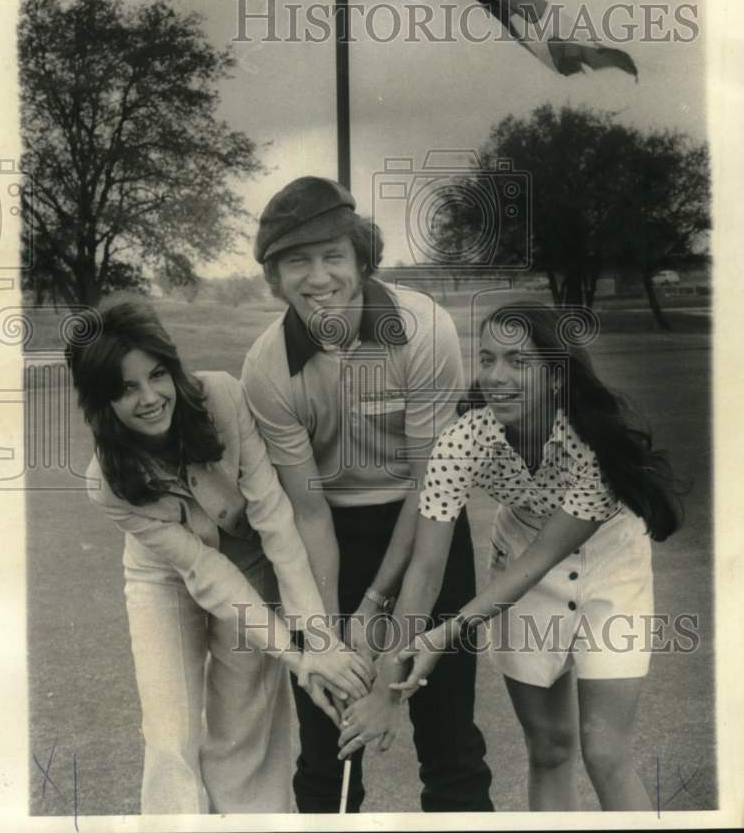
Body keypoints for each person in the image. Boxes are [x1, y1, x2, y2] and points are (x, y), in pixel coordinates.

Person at [338, 301, 682, 811]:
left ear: (557, 377)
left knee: (605, 752)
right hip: (519, 552)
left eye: (519, 362)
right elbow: (427, 568)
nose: (497, 376)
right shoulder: (461, 440)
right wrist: (391, 677)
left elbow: (540, 561)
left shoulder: (595, 449)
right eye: (488, 358)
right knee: (548, 749)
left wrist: (445, 633)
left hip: (608, 566)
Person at [241, 176, 494, 813]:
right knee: (327, 747)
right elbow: (308, 511)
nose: (318, 277)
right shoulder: (266, 369)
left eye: (333, 256)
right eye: (296, 260)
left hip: (430, 522)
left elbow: (429, 484)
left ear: (361, 259)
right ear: (274, 276)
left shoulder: (423, 327)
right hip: (327, 536)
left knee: (449, 743)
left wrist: (378, 602)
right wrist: (328, 633)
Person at [67, 300, 371, 815]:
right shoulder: (106, 482)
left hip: (254, 560)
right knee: (168, 733)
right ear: (100, 401)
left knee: (242, 732)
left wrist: (317, 640)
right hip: (164, 578)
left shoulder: (222, 399)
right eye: (125, 388)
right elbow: (206, 572)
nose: (149, 397)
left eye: (157, 375)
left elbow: (277, 523)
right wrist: (299, 658)